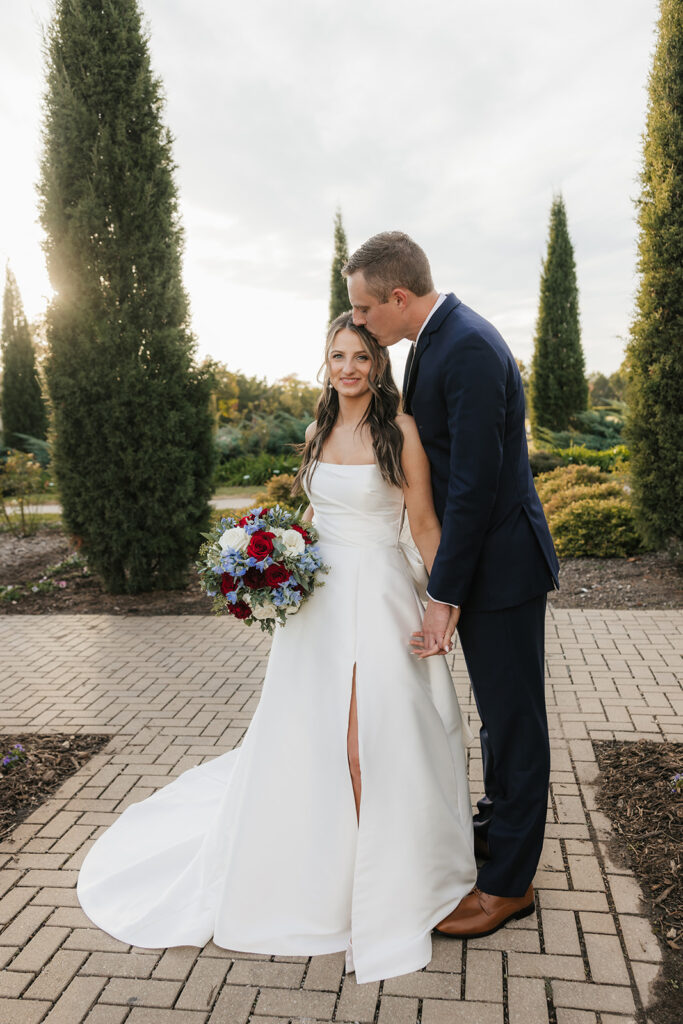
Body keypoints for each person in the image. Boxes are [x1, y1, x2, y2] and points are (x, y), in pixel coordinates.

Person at [77, 312, 477, 984]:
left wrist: (444, 605)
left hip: (379, 596)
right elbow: (314, 514)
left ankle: (385, 879)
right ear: (326, 363)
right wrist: (274, 569)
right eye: (336, 355)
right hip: (317, 608)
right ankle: (325, 873)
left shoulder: (400, 432)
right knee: (311, 737)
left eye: (359, 356)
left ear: (379, 365)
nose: (347, 367)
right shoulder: (317, 428)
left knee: (371, 740)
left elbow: (426, 523)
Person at [343, 231, 560, 938]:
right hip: (486, 566)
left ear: (398, 298)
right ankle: (496, 830)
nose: (359, 323)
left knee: (516, 724)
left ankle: (508, 886)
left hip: (501, 570)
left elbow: (471, 488)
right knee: (500, 718)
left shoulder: (463, 346)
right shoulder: (436, 340)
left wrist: (442, 596)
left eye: (364, 310)